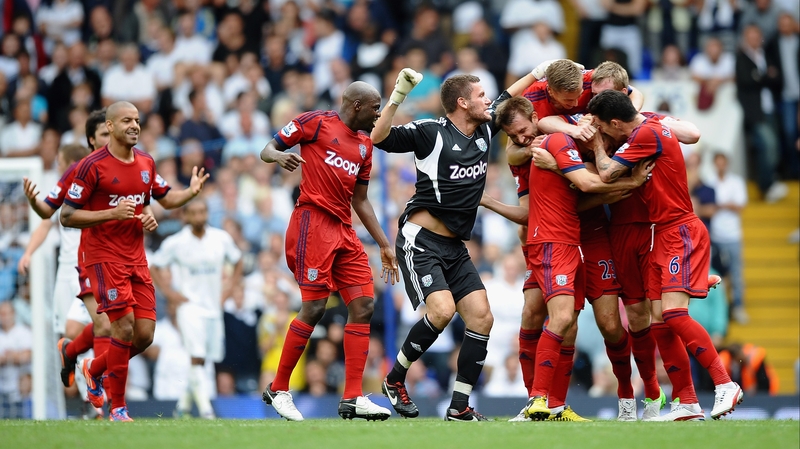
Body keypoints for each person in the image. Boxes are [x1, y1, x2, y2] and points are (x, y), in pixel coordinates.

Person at [371, 68, 537, 421]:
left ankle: (459, 407)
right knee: (443, 311)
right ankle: (394, 379)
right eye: (480, 96)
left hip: (455, 248)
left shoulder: (485, 130)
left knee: (482, 317)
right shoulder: (430, 132)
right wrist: (398, 95)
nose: (488, 100)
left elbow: (509, 94)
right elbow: (379, 137)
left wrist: (538, 73)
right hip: (421, 241)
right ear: (462, 103)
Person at [20, 108, 208, 408]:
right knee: (114, 327)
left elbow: (147, 200)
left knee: (140, 334)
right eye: (120, 125)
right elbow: (55, 214)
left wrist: (187, 195)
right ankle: (113, 407)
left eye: (136, 121)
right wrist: (34, 209)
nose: (134, 126)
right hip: (90, 257)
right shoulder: (84, 168)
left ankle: (85, 364)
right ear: (95, 136)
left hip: (133, 257)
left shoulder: (145, 162)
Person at [588, 89, 745, 420]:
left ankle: (724, 383)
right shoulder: (650, 128)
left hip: (680, 230)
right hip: (662, 232)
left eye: (603, 127)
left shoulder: (646, 133)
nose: (601, 132)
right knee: (659, 322)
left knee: (673, 315)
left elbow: (605, 173)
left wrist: (597, 146)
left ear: (615, 122)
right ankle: (686, 401)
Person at [258, 81, 399, 422]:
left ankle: (352, 397)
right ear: (355, 107)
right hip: (312, 222)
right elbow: (267, 149)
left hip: (343, 229)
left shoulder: (366, 146)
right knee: (315, 306)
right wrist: (279, 156)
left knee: (364, 304)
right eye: (374, 107)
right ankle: (278, 388)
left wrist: (383, 243)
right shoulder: (316, 122)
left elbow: (360, 200)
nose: (378, 113)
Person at [150, 200, 243, 419]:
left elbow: (238, 261)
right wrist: (169, 293)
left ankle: (182, 407)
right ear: (186, 216)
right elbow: (154, 265)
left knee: (204, 359)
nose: (199, 216)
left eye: (202, 211)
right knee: (196, 355)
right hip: (189, 307)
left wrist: (229, 288)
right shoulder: (177, 242)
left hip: (213, 307)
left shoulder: (220, 239)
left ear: (207, 213)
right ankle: (206, 410)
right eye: (193, 213)